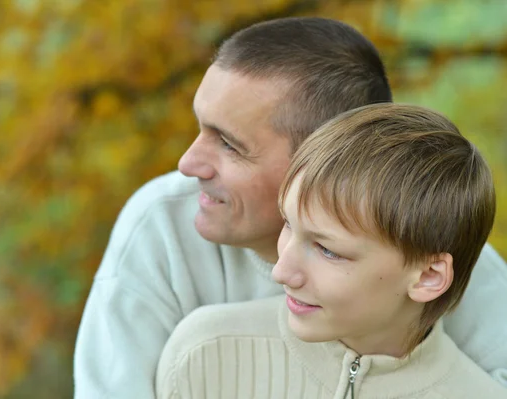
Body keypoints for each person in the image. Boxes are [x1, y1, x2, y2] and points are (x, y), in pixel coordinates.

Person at [74, 17, 507, 398]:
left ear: (327, 156)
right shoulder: (163, 224)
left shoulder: (441, 260)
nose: (188, 164)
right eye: (200, 127)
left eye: (229, 144)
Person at [156, 103, 507, 398]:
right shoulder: (205, 353)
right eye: (288, 224)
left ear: (428, 277)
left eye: (328, 250)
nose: (281, 271)